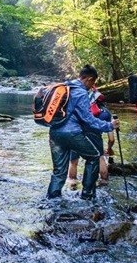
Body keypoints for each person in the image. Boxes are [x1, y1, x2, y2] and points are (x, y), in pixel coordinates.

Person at [47, 65, 118, 201]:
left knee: (59, 169)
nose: (92, 86)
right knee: (94, 156)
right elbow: (88, 119)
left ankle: (52, 199)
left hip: (54, 132)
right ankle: (87, 195)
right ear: (89, 79)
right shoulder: (80, 92)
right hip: (72, 133)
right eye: (93, 83)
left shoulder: (64, 88)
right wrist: (109, 125)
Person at [67, 85, 115, 188]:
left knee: (74, 161)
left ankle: (72, 183)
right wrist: (109, 149)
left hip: (76, 135)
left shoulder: (78, 108)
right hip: (95, 138)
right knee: (100, 158)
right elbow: (111, 139)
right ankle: (104, 181)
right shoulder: (106, 114)